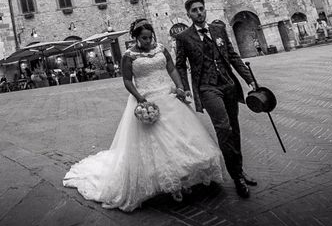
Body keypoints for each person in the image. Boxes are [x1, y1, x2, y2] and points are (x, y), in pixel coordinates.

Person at [63, 18, 223, 212]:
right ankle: (172, 184)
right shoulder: (129, 56)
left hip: (168, 95)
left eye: (150, 37)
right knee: (158, 144)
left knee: (182, 138)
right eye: (144, 38)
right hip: (147, 99)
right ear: (136, 38)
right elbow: (127, 80)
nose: (148, 41)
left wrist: (180, 86)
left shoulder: (161, 49)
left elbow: (171, 68)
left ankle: (186, 179)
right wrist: (140, 98)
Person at [175, 0, 257, 199]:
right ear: (189, 14)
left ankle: (239, 169)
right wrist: (184, 88)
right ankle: (236, 177)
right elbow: (179, 65)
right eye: (194, 10)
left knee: (234, 129)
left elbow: (233, 55)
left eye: (202, 9)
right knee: (224, 128)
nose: (199, 12)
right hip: (207, 88)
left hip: (228, 85)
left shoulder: (218, 29)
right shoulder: (184, 37)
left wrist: (250, 80)